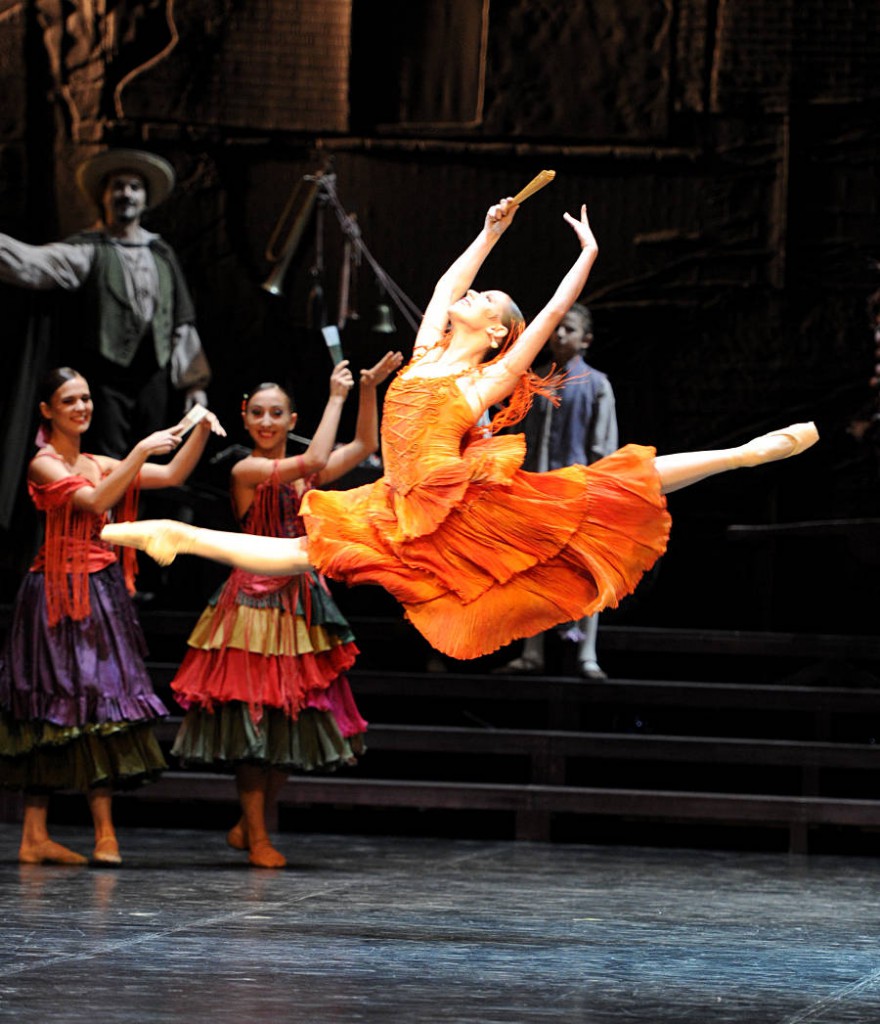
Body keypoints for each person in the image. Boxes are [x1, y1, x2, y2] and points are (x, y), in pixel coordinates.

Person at [102, 197, 819, 662]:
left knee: (605, 485)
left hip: (454, 501)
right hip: (400, 498)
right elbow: (447, 284)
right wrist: (488, 232)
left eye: (483, 299)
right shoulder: (423, 355)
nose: (466, 297)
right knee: (302, 553)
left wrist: (587, 261)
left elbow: (538, 326)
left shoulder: (482, 382)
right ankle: (180, 537)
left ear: (494, 329)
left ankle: (741, 455)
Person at [167, 351, 402, 869]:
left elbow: (363, 446)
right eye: (259, 413)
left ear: (293, 421)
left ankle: (250, 825)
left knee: (287, 721)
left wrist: (365, 389)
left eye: (278, 415)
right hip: (251, 604)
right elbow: (316, 460)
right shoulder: (247, 468)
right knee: (254, 721)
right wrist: (335, 396)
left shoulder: (302, 477)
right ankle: (257, 834)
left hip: (299, 607)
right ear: (245, 415)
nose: (268, 422)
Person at [0, 366, 225, 866]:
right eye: (69, 401)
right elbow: (96, 500)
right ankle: (37, 834)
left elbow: (172, 476)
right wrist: (140, 449)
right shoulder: (45, 464)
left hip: (99, 590)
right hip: (58, 593)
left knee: (99, 705)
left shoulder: (96, 460)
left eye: (85, 398)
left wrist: (200, 428)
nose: (81, 408)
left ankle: (102, 834)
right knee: (55, 706)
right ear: (47, 410)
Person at [0, 148, 211, 459]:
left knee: (156, 457)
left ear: (145, 198)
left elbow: (181, 322)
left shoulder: (161, 253)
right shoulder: (90, 249)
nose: (126, 194)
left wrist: (195, 384)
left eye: (134, 187)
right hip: (106, 378)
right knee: (108, 459)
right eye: (118, 186)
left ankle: (148, 511)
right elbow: (33, 264)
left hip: (154, 377)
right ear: (104, 196)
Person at [495, 301, 617, 679]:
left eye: (569, 329)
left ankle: (586, 654)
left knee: (586, 570)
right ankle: (532, 651)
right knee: (534, 570)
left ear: (586, 340)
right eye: (557, 328)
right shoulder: (534, 380)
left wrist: (599, 489)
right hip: (535, 489)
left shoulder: (597, 384)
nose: (560, 334)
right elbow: (515, 435)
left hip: (578, 491)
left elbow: (603, 445)